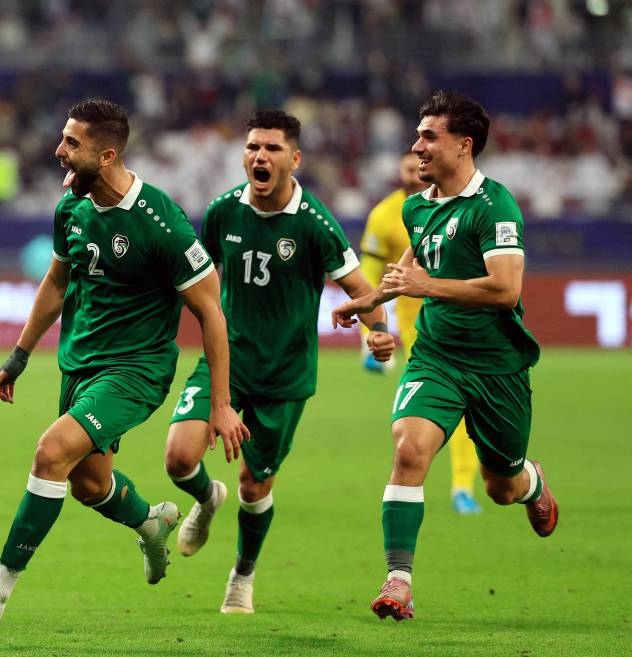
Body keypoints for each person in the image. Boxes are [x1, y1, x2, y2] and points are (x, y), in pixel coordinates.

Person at [0, 99, 249, 629]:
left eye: (72, 143)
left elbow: (211, 313)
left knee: (50, 453)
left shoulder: (161, 223)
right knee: (88, 485)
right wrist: (19, 356)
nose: (58, 151)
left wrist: (220, 405)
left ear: (107, 156)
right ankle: (151, 523)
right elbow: (56, 282)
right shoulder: (72, 207)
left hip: (136, 371)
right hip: (80, 364)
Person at [332, 90, 559, 622]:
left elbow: (505, 289)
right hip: (435, 356)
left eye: (429, 137)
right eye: (418, 135)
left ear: (464, 144)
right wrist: (371, 300)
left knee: (500, 486)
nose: (417, 147)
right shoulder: (417, 206)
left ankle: (531, 482)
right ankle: (399, 579)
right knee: (409, 448)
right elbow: (411, 266)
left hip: (497, 365)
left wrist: (427, 286)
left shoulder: (495, 206)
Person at [163, 109, 396, 615]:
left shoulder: (314, 224)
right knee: (179, 458)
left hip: (284, 377)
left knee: (255, 484)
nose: (259, 156)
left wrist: (378, 330)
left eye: (271, 148)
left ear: (294, 158)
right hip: (226, 361)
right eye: (252, 147)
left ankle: (242, 576)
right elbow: (197, 280)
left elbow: (359, 287)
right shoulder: (222, 212)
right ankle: (206, 498)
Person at [358, 152, 483, 516]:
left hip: (459, 321)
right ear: (399, 173)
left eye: (419, 168)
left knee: (464, 410)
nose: (415, 175)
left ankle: (463, 486)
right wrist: (372, 332)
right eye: (408, 169)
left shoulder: (458, 207)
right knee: (437, 413)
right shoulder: (385, 215)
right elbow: (369, 276)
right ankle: (433, 482)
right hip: (417, 328)